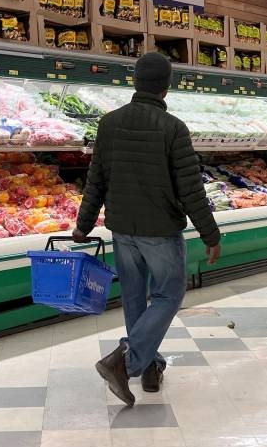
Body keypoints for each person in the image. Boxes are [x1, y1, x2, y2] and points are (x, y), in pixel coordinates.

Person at [72, 52, 222, 407]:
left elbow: (96, 180)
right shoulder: (173, 129)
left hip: (122, 228)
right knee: (170, 296)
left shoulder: (109, 124)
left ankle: (150, 366)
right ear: (166, 87)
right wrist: (210, 234)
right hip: (160, 230)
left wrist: (83, 223)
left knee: (136, 300)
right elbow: (190, 189)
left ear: (135, 82)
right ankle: (122, 361)